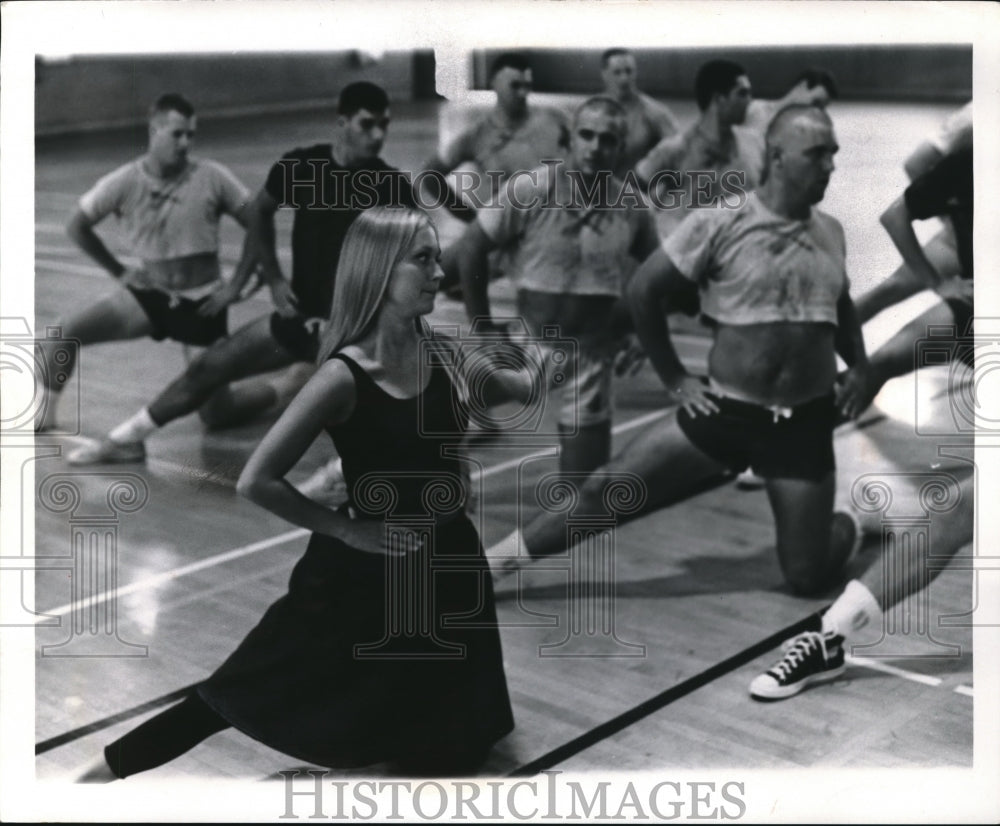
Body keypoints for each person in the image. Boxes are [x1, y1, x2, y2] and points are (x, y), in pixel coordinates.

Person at [76, 207, 531, 781]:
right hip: (361, 576)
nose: (439, 273)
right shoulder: (342, 377)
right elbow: (256, 479)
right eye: (423, 259)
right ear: (380, 271)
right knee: (235, 695)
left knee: (454, 748)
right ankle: (88, 779)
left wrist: (559, 359)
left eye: (438, 258)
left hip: (447, 570)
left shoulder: (444, 352)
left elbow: (509, 391)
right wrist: (346, 528)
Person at [490, 105, 869, 597]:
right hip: (725, 409)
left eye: (832, 154)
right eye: (818, 154)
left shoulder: (831, 232)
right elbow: (645, 290)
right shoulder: (720, 221)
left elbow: (840, 306)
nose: (830, 165)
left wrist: (860, 366)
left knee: (806, 576)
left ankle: (855, 523)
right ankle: (488, 565)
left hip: (802, 423)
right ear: (776, 157)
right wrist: (675, 377)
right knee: (604, 489)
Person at [68, 82, 418, 465]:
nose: (379, 135)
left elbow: (412, 265)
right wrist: (274, 279)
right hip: (295, 319)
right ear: (342, 122)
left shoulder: (392, 187)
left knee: (357, 414)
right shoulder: (305, 167)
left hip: (349, 333)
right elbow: (259, 212)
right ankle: (126, 439)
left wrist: (361, 324)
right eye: (368, 124)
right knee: (209, 367)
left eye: (384, 124)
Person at [455, 96, 661, 475]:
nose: (596, 147)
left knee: (582, 490)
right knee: (439, 407)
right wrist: (482, 329)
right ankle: (367, 468)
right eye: (587, 135)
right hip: (529, 343)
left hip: (592, 357)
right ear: (570, 139)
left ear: (620, 148)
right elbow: (471, 248)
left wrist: (640, 330)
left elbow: (657, 274)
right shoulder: (532, 189)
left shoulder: (633, 206)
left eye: (608, 140)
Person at [36, 93, 256, 433]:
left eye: (191, 135)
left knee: (217, 415)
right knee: (62, 333)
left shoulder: (212, 176)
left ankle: (287, 386)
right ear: (154, 131)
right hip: (151, 295)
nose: (185, 143)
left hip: (202, 302)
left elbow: (259, 222)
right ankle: (45, 414)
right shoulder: (125, 180)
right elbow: (76, 226)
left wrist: (237, 283)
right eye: (177, 134)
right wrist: (120, 272)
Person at [429, 52, 570, 298]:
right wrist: (470, 217)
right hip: (505, 231)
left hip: (556, 228)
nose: (523, 93)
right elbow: (430, 176)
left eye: (527, 85)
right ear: (494, 84)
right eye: (515, 86)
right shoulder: (478, 135)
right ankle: (479, 276)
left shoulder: (554, 120)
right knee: (428, 278)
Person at [856, 144, 973, 411]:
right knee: (876, 366)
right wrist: (938, 283)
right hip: (974, 306)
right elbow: (894, 215)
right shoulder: (967, 160)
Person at [853, 102, 972, 325]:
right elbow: (916, 163)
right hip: (964, 240)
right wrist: (955, 219)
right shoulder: (977, 114)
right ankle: (808, 349)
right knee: (889, 291)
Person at [635, 59, 760, 238]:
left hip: (735, 247)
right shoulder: (676, 149)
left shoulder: (753, 142)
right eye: (742, 93)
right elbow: (631, 192)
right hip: (688, 250)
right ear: (719, 99)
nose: (750, 101)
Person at [598, 47, 680, 174]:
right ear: (604, 74)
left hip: (634, 189)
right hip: (596, 187)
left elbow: (679, 151)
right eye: (617, 72)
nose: (624, 78)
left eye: (629, 71)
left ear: (636, 73)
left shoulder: (654, 112)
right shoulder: (591, 110)